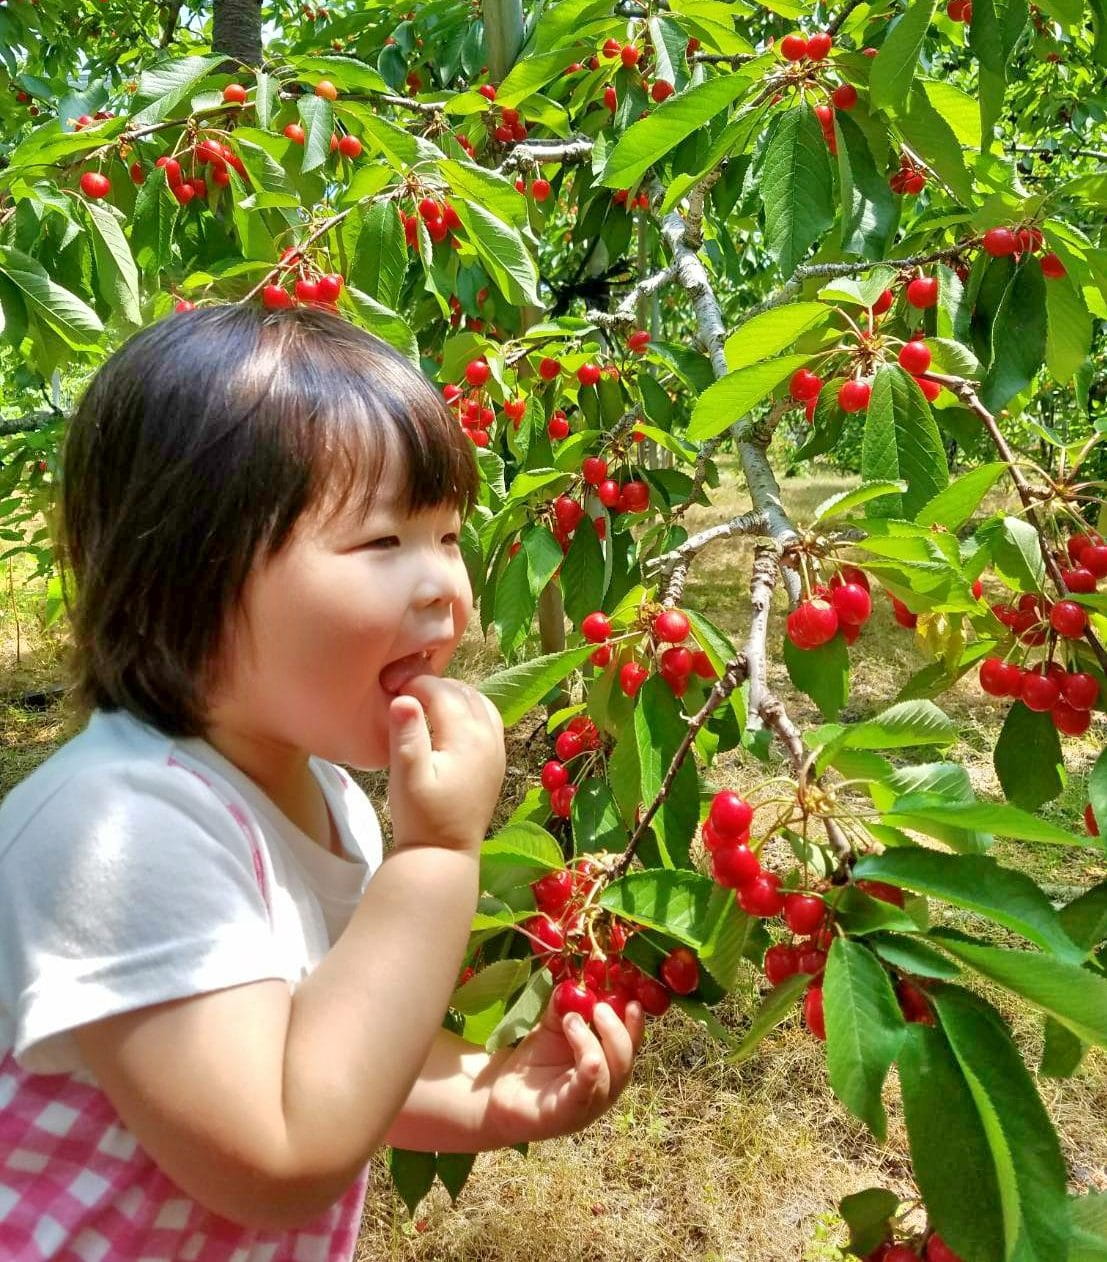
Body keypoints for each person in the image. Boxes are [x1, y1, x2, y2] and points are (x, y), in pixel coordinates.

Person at [0, 305, 643, 1261]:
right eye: (381, 543)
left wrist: (489, 1090)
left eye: (448, 536)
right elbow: (281, 1148)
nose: (442, 588)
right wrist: (434, 856)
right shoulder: (120, 829)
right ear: (183, 575)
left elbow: (321, 1043)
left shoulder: (333, 800)